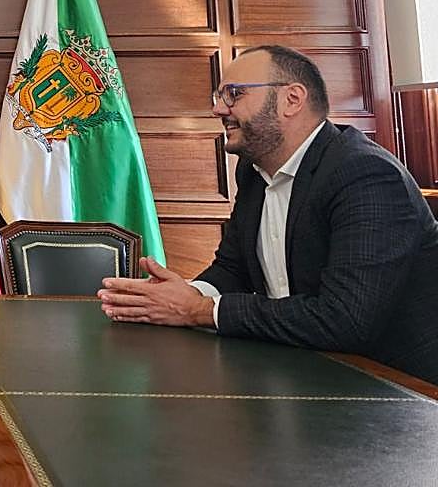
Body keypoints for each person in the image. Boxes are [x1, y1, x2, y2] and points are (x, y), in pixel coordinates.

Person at [98, 45, 438, 383]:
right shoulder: (252, 171)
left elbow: (343, 320)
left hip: (398, 392)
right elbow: (234, 270)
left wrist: (198, 311)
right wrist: (179, 296)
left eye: (233, 94)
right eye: (218, 96)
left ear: (292, 99)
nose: (219, 109)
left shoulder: (365, 175)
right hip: (306, 373)